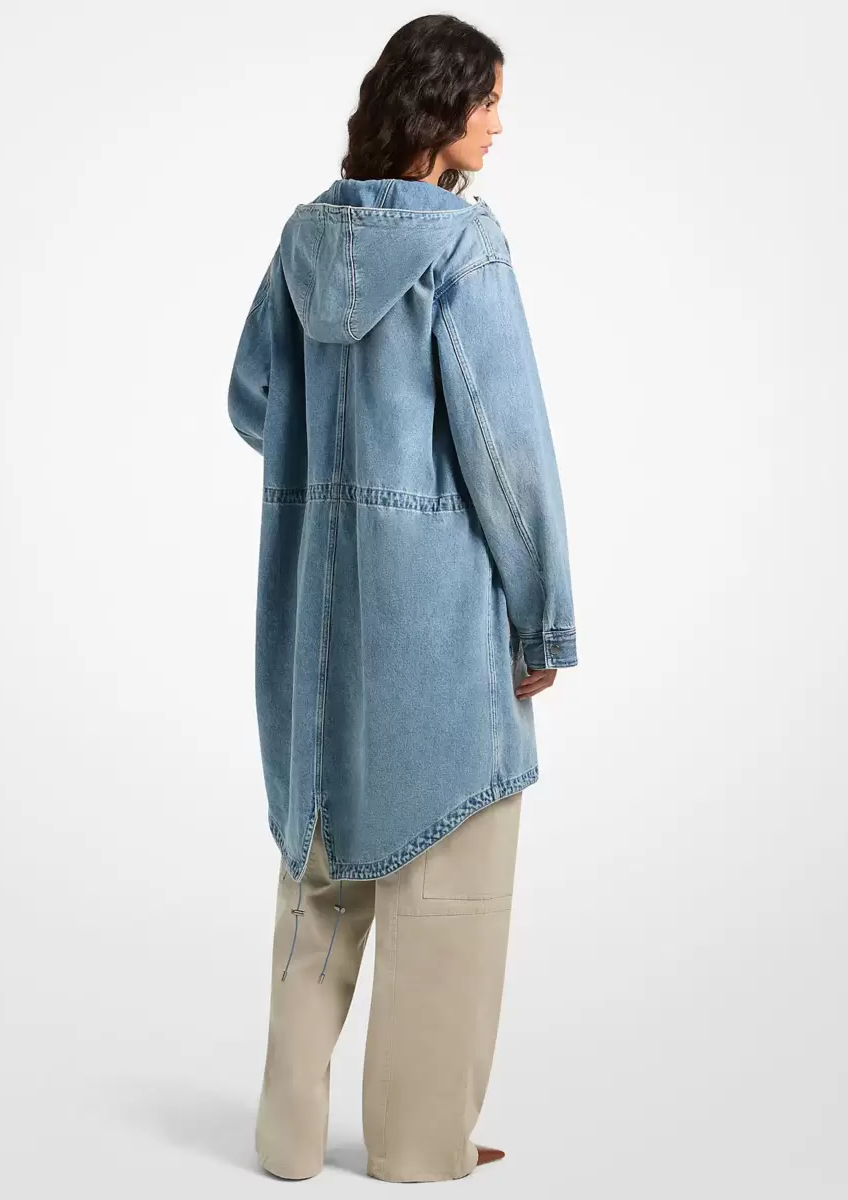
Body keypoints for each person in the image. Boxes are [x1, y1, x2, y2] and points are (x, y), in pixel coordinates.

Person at [226, 13, 578, 1184]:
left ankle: (285, 1140)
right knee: (448, 887)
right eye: (489, 99)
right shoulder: (463, 245)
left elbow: (250, 398)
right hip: (437, 626)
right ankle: (420, 1147)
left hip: (312, 623)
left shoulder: (304, 236)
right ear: (442, 106)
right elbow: (506, 452)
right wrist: (542, 618)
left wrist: (329, 472)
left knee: (318, 882)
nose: (500, 122)